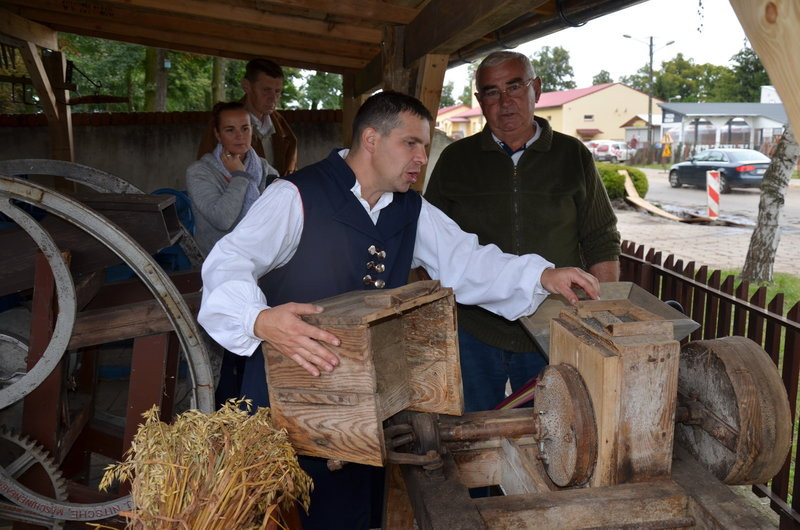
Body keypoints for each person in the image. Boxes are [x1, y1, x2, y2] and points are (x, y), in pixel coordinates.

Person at [197, 90, 600, 530]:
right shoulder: (296, 194)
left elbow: (465, 260)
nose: (422, 157)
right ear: (371, 140)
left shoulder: (410, 208)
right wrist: (258, 319)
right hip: (285, 396)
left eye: (424, 146)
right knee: (269, 513)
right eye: (411, 143)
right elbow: (227, 262)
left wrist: (541, 276)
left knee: (351, 511)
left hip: (361, 402)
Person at [425, 51, 621, 413]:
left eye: (514, 87)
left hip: (554, 326)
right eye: (492, 92)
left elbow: (600, 237)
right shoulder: (456, 160)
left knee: (555, 427)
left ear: (537, 89)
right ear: (480, 100)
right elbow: (429, 244)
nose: (505, 102)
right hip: (474, 328)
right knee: (472, 428)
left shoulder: (573, 156)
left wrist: (602, 310)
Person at [186, 100, 278, 405]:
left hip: (261, 266)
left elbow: (277, 207)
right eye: (230, 130)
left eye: (245, 128)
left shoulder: (261, 167)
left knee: (260, 343)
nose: (240, 136)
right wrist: (239, 177)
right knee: (227, 351)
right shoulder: (200, 172)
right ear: (217, 134)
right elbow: (223, 218)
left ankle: (258, 404)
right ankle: (224, 410)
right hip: (220, 271)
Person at [197, 58, 298, 175]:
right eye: (266, 90)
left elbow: (291, 174)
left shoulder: (282, 127)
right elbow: (205, 173)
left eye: (277, 91)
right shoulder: (222, 122)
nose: (273, 98)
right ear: (246, 86)